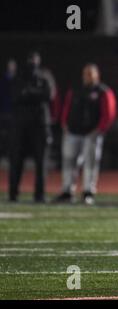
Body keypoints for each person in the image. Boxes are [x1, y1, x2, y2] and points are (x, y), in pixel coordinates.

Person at [54, 64, 116, 205]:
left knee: (90, 163)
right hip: (73, 132)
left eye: (90, 74)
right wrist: (64, 123)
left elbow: (109, 113)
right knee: (69, 162)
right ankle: (67, 191)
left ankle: (88, 191)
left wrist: (99, 129)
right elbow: (67, 107)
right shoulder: (75, 90)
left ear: (97, 75)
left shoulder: (103, 91)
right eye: (86, 74)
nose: (88, 76)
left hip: (91, 133)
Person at [9, 52, 51, 203]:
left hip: (39, 126)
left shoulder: (44, 77)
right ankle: (13, 193)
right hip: (21, 126)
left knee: (41, 162)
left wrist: (29, 93)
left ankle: (39, 195)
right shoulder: (19, 78)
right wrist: (35, 95)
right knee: (16, 161)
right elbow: (16, 96)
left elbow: (48, 95)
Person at [0, 60, 16, 164]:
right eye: (10, 66)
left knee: (12, 136)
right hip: (4, 112)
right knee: (2, 135)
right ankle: (2, 155)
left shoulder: (18, 80)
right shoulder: (3, 80)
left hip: (14, 113)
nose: (12, 68)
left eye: (13, 66)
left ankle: (10, 156)